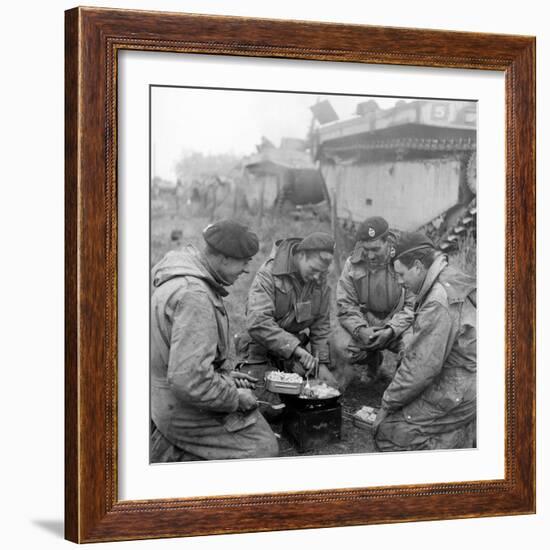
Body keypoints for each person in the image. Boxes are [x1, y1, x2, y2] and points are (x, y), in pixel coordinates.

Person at [150, 220, 279, 461]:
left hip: (164, 395)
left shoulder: (183, 276)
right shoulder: (195, 296)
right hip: (179, 408)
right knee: (263, 448)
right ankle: (174, 454)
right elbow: (189, 381)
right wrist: (234, 397)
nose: (246, 270)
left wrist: (224, 377)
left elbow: (179, 359)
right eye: (243, 262)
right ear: (224, 259)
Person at [374, 232, 477, 451]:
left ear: (419, 267)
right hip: (467, 377)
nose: (400, 282)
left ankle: (448, 453)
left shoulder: (438, 300)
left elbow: (420, 369)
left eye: (401, 274)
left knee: (388, 433)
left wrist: (387, 404)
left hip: (461, 386)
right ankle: (453, 435)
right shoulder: (447, 275)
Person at [236, 232, 338, 411]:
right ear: (300, 255)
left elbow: (321, 327)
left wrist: (320, 364)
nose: (317, 277)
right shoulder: (268, 274)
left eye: (322, 273)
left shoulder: (320, 280)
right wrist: (297, 349)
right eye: (313, 270)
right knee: (270, 408)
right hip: (259, 348)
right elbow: (258, 322)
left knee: (310, 393)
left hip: (291, 352)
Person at [331, 216, 414, 389]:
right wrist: (360, 330)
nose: (370, 255)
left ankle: (400, 388)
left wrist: (391, 330)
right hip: (366, 323)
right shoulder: (352, 264)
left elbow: (413, 306)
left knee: (413, 349)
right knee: (339, 346)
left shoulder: (404, 261)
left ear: (387, 241)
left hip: (399, 325)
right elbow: (345, 305)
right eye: (366, 249)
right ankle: (373, 361)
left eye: (376, 249)